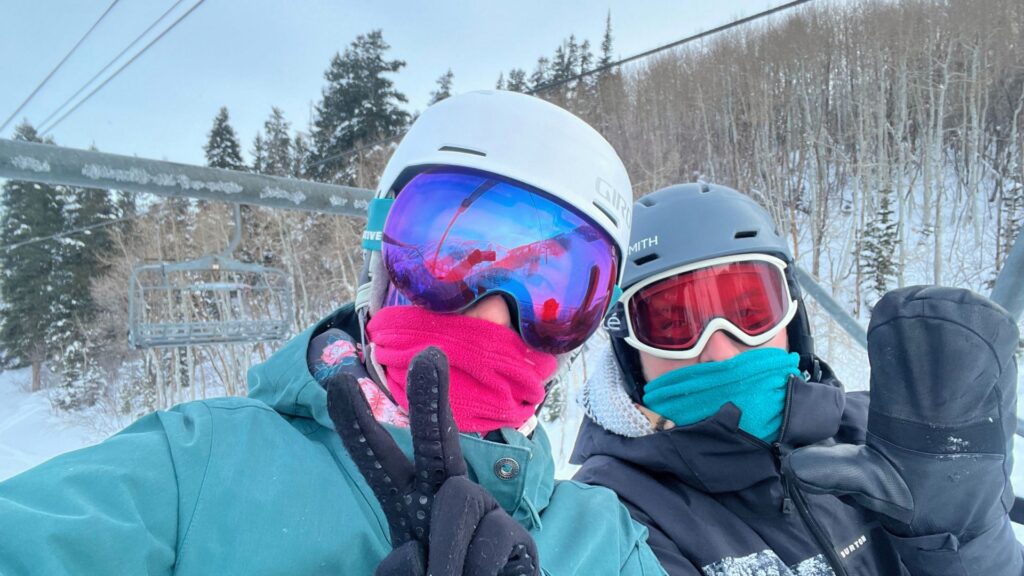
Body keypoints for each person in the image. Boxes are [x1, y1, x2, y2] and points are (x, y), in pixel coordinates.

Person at [0, 91, 665, 575]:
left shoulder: (606, 541)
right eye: (448, 261)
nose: (492, 314)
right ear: (380, 262)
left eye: (553, 294)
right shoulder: (198, 470)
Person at [572, 182, 1023, 575]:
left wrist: (965, 544)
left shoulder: (883, 433)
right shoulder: (613, 519)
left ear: (792, 319)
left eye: (750, 313)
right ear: (630, 350)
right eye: (673, 325)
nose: (719, 349)